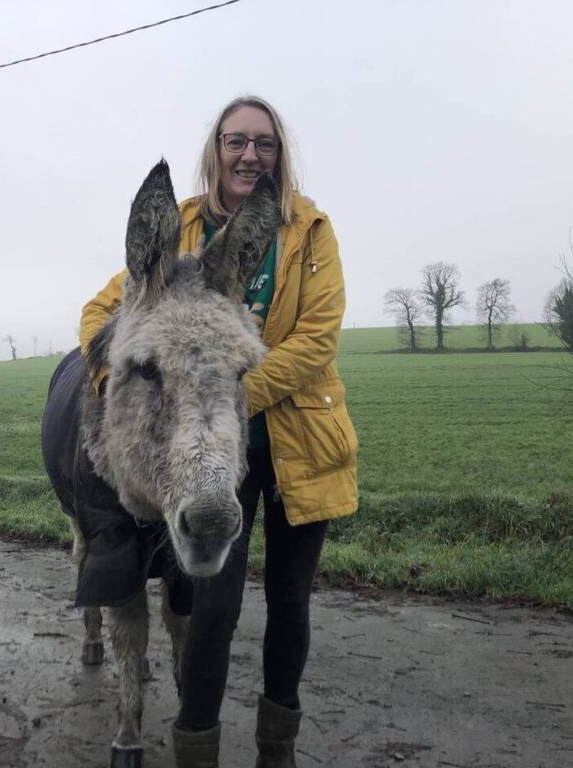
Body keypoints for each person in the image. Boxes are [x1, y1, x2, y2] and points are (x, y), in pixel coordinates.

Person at [79, 95, 358, 768]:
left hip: (296, 442)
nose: (249, 154)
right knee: (210, 609)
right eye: (236, 141)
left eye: (264, 143)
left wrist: (230, 391)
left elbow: (317, 339)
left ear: (279, 153)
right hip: (205, 450)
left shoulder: (309, 231)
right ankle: (195, 749)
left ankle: (275, 748)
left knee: (290, 604)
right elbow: (101, 313)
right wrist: (115, 377)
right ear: (217, 150)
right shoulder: (177, 229)